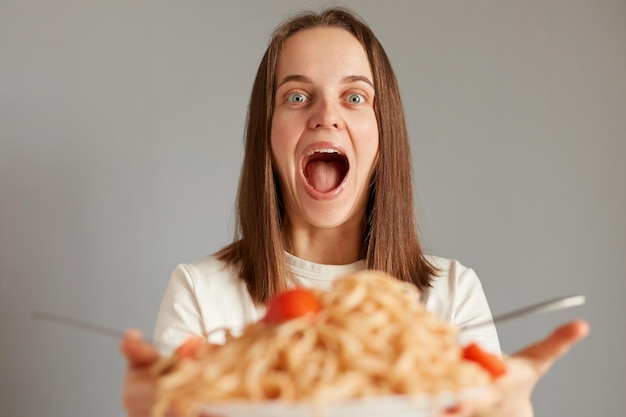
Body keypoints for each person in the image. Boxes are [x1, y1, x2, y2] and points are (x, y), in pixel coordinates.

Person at [121, 7, 588, 417]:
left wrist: (508, 413)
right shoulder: (202, 295)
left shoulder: (452, 295)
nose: (326, 116)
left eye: (355, 97)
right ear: (268, 133)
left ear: (383, 136)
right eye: (297, 97)